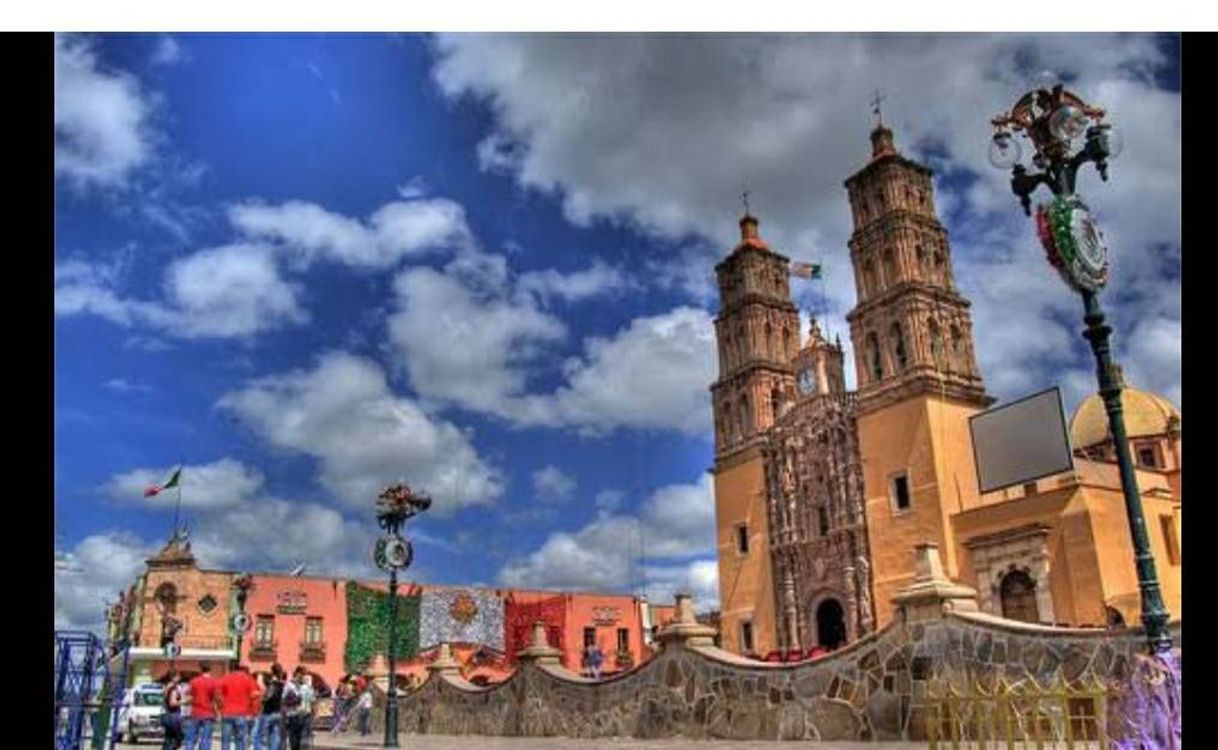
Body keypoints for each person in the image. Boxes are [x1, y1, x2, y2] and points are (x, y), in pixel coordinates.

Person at [218, 662, 261, 750]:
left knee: (225, 740)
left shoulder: (225, 678)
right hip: (242, 713)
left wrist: (220, 709)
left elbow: (218, 695)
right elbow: (256, 695)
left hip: (227, 712)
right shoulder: (249, 679)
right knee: (240, 740)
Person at [184, 663, 219, 750]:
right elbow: (216, 699)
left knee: (191, 738)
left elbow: (189, 697)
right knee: (206, 739)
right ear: (210, 670)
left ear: (200, 670)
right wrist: (217, 713)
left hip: (195, 713)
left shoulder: (194, 681)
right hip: (208, 713)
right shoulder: (214, 682)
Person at [253, 663, 285, 750]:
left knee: (258, 736)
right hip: (277, 713)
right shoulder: (282, 684)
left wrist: (261, 698)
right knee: (274, 736)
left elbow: (269, 696)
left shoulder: (273, 684)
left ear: (272, 671)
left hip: (268, 713)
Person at [282, 668, 316, 750]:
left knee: (304, 740)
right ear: (297, 674)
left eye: (304, 675)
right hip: (293, 715)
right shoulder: (289, 685)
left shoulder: (307, 687)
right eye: (302, 674)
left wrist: (313, 712)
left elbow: (312, 700)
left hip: (305, 715)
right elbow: (283, 699)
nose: (303, 677)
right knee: (294, 739)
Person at [161, 670, 185, 750]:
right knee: (177, 739)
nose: (180, 678)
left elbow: (165, 701)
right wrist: (185, 701)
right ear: (173, 677)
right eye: (178, 676)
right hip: (173, 716)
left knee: (168, 738)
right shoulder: (173, 689)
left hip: (167, 715)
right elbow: (172, 703)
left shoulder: (166, 687)